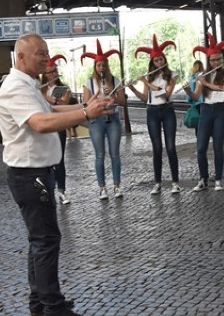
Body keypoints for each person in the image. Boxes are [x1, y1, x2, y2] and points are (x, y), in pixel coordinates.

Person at [0, 33, 113, 316]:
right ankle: (53, 306)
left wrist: (87, 108)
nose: (46, 59)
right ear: (21, 57)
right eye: (40, 54)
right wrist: (86, 111)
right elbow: (40, 123)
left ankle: (40, 299)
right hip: (29, 173)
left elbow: (51, 110)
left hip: (36, 171)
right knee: (47, 240)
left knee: (40, 239)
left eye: (46, 53)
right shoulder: (14, 88)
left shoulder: (28, 85)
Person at [128, 34, 182, 194]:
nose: (159, 63)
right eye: (156, 60)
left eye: (161, 60)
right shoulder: (150, 76)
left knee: (171, 147)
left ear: (164, 60)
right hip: (152, 111)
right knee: (157, 148)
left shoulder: (172, 75)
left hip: (167, 110)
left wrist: (145, 82)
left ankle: (175, 182)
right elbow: (145, 98)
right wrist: (132, 88)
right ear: (152, 62)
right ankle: (157, 183)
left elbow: (166, 93)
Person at [82, 40, 126, 200]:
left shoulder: (115, 80)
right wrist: (98, 97)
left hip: (112, 119)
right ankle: (102, 188)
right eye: (98, 65)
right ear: (95, 66)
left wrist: (112, 95)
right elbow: (85, 104)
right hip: (97, 121)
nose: (101, 68)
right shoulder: (89, 82)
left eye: (103, 65)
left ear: (107, 66)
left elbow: (122, 101)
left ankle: (117, 186)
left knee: (115, 154)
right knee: (100, 155)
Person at [191, 33, 224, 191]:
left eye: (219, 59)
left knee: (218, 146)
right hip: (206, 110)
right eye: (213, 60)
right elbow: (196, 96)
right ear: (208, 61)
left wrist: (207, 84)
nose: (216, 62)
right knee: (201, 147)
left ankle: (218, 179)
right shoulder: (203, 75)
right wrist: (188, 90)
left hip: (221, 110)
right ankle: (203, 178)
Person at [40, 55, 73, 204]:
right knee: (46, 160)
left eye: (54, 71)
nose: (52, 74)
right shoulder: (39, 90)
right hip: (45, 125)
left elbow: (64, 105)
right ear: (44, 74)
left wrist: (53, 99)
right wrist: (46, 97)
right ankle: (48, 190)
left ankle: (62, 190)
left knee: (59, 159)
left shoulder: (64, 88)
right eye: (49, 72)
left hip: (58, 126)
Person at [183, 59, 205, 136]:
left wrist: (189, 100)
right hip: (205, 103)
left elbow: (190, 94)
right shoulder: (204, 76)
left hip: (197, 104)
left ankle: (200, 140)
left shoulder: (192, 78)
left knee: (198, 126)